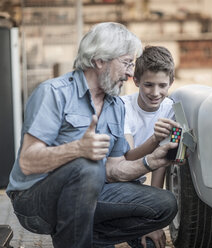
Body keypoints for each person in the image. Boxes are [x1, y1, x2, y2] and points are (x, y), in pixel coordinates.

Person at [6, 22, 178, 248]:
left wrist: (151, 161)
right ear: (99, 61)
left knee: (164, 203)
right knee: (87, 166)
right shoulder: (54, 93)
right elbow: (28, 161)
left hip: (88, 194)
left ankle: (87, 239)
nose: (129, 73)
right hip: (34, 199)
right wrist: (77, 149)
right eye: (126, 63)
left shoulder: (115, 105)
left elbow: (115, 169)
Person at [121, 45, 178, 188]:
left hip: (139, 181)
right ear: (136, 81)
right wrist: (155, 139)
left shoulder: (171, 109)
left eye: (162, 85)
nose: (155, 93)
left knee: (164, 201)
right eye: (148, 85)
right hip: (119, 179)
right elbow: (128, 158)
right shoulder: (123, 107)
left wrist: (156, 192)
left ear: (171, 83)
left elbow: (164, 156)